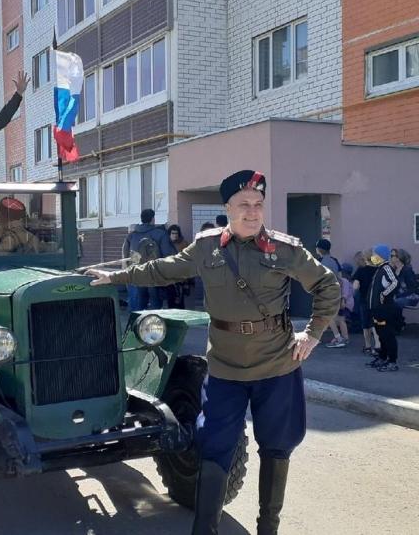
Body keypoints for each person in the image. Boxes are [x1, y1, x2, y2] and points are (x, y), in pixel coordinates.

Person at [87, 170, 340, 535]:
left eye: (258, 205)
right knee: (214, 446)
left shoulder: (285, 249)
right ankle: (205, 529)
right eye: (243, 205)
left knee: (277, 446)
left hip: (276, 365)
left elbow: (327, 286)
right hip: (225, 368)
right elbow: (163, 271)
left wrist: (312, 335)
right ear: (228, 208)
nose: (252, 213)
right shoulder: (207, 247)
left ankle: (268, 527)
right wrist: (116, 278)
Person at [121, 209, 175, 311]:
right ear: (153, 219)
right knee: (155, 306)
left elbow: (126, 255)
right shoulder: (160, 234)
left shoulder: (132, 236)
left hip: (136, 274)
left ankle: (137, 325)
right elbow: (167, 255)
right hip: (154, 274)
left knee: (138, 307)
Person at [367, 244, 400, 372]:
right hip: (377, 309)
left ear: (380, 255)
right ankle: (383, 357)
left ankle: (392, 361)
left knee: (387, 334)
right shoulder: (379, 269)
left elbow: (395, 282)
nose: (373, 257)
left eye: (375, 254)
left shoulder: (386, 268)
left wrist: (383, 294)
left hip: (384, 309)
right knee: (381, 334)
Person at [352, 250, 381, 355]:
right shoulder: (379, 269)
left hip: (364, 300)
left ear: (364, 259)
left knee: (365, 324)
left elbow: (356, 286)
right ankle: (378, 345)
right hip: (377, 301)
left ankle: (368, 346)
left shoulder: (361, 270)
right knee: (375, 323)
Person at [326, 264, 354, 348]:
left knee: (338, 319)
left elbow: (345, 293)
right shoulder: (334, 283)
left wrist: (343, 301)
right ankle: (344, 338)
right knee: (339, 320)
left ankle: (339, 338)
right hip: (340, 303)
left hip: (345, 303)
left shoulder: (344, 281)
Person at [165, 224, 191, 309]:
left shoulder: (183, 243)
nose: (175, 235)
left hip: (180, 275)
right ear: (169, 234)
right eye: (173, 233)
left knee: (180, 299)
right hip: (169, 275)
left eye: (176, 233)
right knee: (170, 299)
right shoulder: (165, 244)